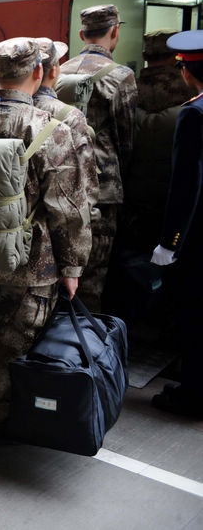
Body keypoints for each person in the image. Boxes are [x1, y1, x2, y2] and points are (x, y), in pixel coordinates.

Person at [0, 37, 90, 445]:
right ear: (39, 74)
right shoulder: (50, 131)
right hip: (30, 266)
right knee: (11, 347)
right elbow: (69, 210)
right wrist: (73, 266)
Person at [59, 4, 135, 311]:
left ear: (81, 34)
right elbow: (127, 140)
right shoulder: (121, 76)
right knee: (93, 274)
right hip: (102, 192)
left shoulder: (59, 71)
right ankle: (86, 346)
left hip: (62, 185)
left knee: (64, 267)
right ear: (115, 32)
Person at [148, 29, 203, 420]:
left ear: (187, 72)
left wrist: (170, 242)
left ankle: (193, 396)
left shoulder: (194, 113)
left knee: (195, 316)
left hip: (198, 240)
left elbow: (186, 186)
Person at [122, 30, 198, 250]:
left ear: (144, 55)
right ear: (177, 56)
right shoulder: (189, 88)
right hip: (174, 191)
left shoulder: (129, 88)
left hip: (134, 192)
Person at [32, 37, 99, 222]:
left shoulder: (6, 110)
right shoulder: (70, 116)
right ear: (54, 71)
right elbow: (85, 187)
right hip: (53, 228)